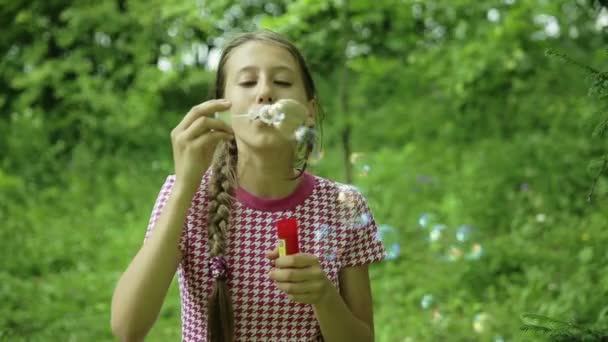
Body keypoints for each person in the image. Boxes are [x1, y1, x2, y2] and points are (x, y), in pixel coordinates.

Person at [111, 30, 385, 342]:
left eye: (282, 82)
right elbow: (127, 328)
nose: (265, 92)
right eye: (247, 82)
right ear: (222, 110)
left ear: (309, 112)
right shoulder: (186, 195)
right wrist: (184, 188)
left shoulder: (342, 205)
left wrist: (324, 297)